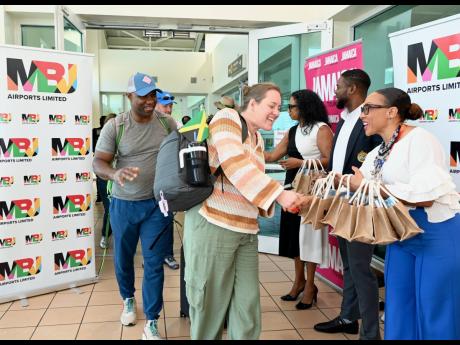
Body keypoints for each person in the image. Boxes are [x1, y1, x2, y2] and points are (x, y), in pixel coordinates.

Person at [183, 83, 303, 340]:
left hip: (246, 231)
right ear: (252, 104)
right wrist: (280, 194)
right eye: (271, 105)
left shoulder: (257, 138)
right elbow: (234, 163)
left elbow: (248, 184)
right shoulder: (228, 118)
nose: (276, 112)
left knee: (247, 308)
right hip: (214, 224)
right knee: (209, 308)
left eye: (279, 107)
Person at [348, 87, 460, 340]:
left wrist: (366, 185)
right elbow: (361, 182)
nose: (362, 114)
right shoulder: (379, 151)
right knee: (399, 308)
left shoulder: (420, 140)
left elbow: (427, 197)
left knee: (436, 311)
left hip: (436, 235)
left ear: (391, 112)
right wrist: (330, 184)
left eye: (367, 108)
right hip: (400, 235)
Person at [93, 72, 177, 340]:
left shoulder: (167, 123)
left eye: (152, 94)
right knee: (123, 257)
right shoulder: (115, 126)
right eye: (143, 95)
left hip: (156, 205)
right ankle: (128, 298)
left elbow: (180, 152)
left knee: (153, 263)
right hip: (124, 204)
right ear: (129, 96)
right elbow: (99, 162)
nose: (149, 100)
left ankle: (152, 320)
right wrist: (114, 173)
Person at [312, 69, 382, 340]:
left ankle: (371, 333)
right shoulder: (344, 120)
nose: (335, 91)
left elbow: (377, 161)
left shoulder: (370, 119)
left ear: (352, 89)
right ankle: (348, 317)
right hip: (341, 203)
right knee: (350, 266)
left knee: (362, 270)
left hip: (362, 206)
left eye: (339, 86)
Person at [264, 89, 333, 310]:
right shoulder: (293, 130)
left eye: (292, 106)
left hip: (311, 192)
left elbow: (328, 160)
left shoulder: (321, 129)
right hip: (291, 189)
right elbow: (272, 155)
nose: (288, 110)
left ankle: (311, 286)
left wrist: (299, 163)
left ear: (304, 107)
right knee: (294, 239)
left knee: (310, 239)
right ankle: (299, 281)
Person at [154, 90, 180, 270]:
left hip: (166, 180)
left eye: (171, 106)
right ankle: (153, 254)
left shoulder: (174, 125)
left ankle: (167, 255)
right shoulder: (146, 125)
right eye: (165, 105)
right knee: (150, 221)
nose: (169, 109)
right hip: (147, 181)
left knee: (166, 218)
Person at [97, 113, 117, 249]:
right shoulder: (102, 140)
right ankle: (105, 234)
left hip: (120, 178)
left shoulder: (122, 137)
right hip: (105, 179)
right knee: (109, 208)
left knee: (120, 208)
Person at [93, 115, 107, 203]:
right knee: (99, 178)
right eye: (101, 121)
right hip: (98, 156)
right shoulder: (95, 131)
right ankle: (99, 196)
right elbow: (92, 143)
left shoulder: (111, 130)